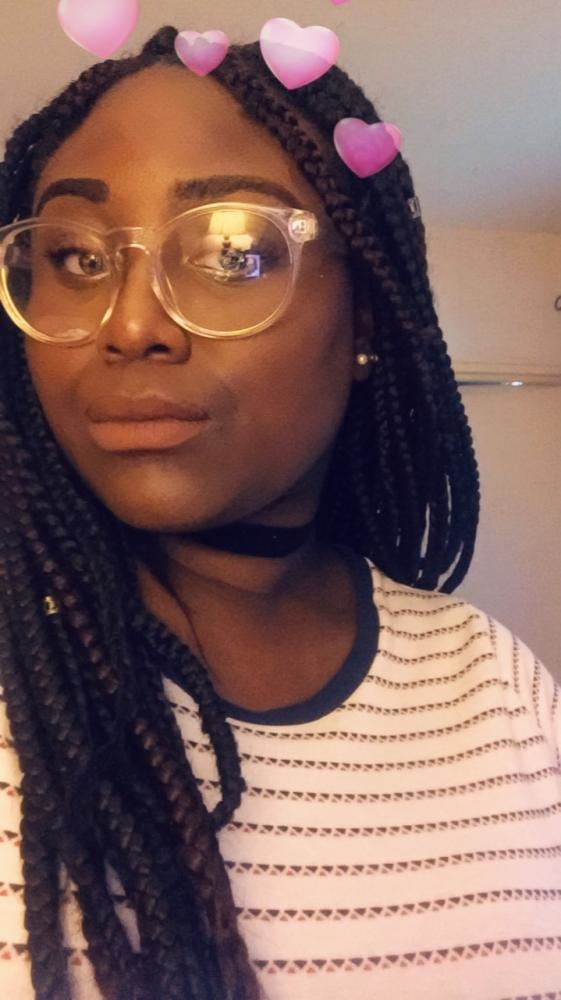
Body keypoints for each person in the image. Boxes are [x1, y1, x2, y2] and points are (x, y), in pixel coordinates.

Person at [0, 23, 559, 1000]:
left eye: (230, 251)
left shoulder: (494, 681)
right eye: (76, 257)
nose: (129, 324)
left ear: (365, 316)